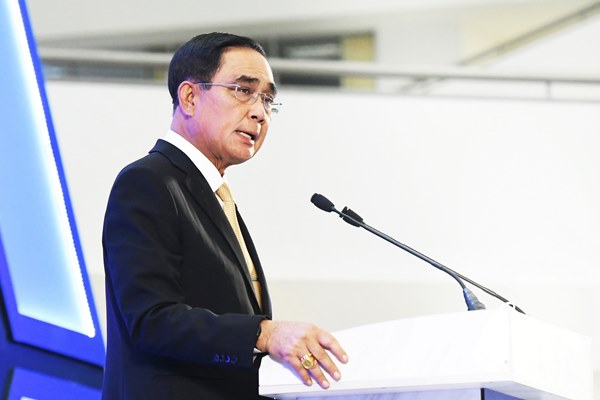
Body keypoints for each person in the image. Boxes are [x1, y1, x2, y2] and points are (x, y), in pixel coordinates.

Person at [101, 32, 348, 399]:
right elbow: (151, 319)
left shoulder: (214, 194)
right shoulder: (147, 181)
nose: (260, 112)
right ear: (189, 97)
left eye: (267, 99)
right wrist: (264, 333)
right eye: (242, 90)